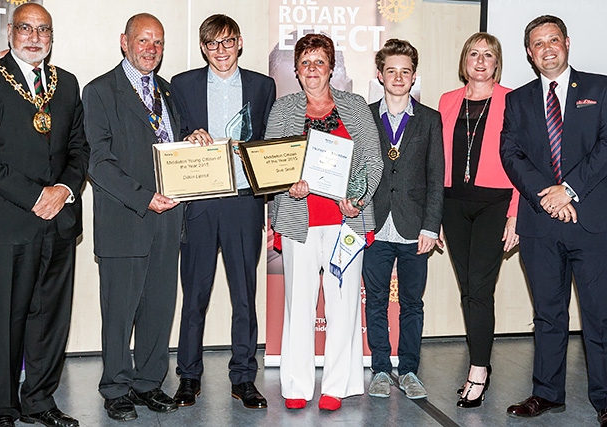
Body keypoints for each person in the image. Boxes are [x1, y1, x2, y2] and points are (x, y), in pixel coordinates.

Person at [0, 4, 88, 427]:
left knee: (50, 320)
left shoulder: (67, 84)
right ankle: (3, 407)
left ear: (52, 37)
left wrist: (64, 189)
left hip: (58, 223)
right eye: (25, 28)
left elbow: (79, 151)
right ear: (10, 34)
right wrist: (37, 195)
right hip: (4, 223)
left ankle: (39, 401)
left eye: (43, 30)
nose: (34, 37)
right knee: (5, 320)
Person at [266, 33, 383, 411]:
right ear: (296, 71)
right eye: (305, 63)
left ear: (331, 67)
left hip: (344, 223)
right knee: (298, 306)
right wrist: (289, 186)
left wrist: (358, 199)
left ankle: (336, 385)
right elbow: (271, 167)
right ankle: (297, 385)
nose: (313, 69)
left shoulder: (356, 106)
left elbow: (372, 163)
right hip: (300, 221)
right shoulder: (283, 110)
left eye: (320, 62)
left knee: (343, 304)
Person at [500, 15, 607, 426]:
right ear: (529, 53)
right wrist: (550, 197)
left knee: (599, 315)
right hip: (540, 225)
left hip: (591, 222)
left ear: (566, 42)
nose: (546, 49)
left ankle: (604, 399)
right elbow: (511, 154)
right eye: (537, 44)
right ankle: (546, 394)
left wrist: (570, 189)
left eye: (552, 40)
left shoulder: (599, 88)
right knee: (548, 314)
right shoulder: (519, 99)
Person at [169, 14, 275, 410]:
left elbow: (267, 143)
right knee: (194, 294)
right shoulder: (182, 85)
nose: (221, 51)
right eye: (212, 44)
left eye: (228, 42)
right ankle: (189, 377)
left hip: (244, 202)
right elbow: (170, 134)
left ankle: (244, 377)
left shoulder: (263, 86)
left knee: (244, 295)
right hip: (199, 200)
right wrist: (186, 138)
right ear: (202, 47)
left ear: (240, 42)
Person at [82, 13, 183, 422]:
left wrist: (193, 140)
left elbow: (173, 148)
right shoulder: (100, 91)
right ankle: (116, 387)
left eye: (158, 42)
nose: (151, 49)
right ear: (124, 42)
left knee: (159, 308)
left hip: (168, 219)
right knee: (120, 311)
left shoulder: (168, 91)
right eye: (143, 40)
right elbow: (98, 162)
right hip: (127, 217)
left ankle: (148, 383)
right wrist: (145, 199)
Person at [438, 32, 519, 408]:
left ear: (497, 62)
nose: (481, 60)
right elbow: (437, 162)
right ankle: (481, 358)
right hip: (454, 203)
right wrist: (433, 214)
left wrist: (515, 213)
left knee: (479, 287)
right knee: (467, 290)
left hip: (495, 204)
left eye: (489, 54)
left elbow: (523, 160)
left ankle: (479, 370)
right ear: (464, 60)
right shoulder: (448, 101)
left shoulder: (512, 100)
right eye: (474, 53)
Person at [362, 39, 443, 401]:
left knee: (412, 303)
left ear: (413, 77)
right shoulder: (363, 115)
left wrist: (431, 225)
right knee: (375, 301)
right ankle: (380, 368)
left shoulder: (430, 119)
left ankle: (409, 369)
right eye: (391, 70)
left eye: (405, 71)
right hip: (374, 226)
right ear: (380, 75)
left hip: (415, 229)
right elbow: (355, 169)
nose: (398, 77)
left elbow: (436, 177)